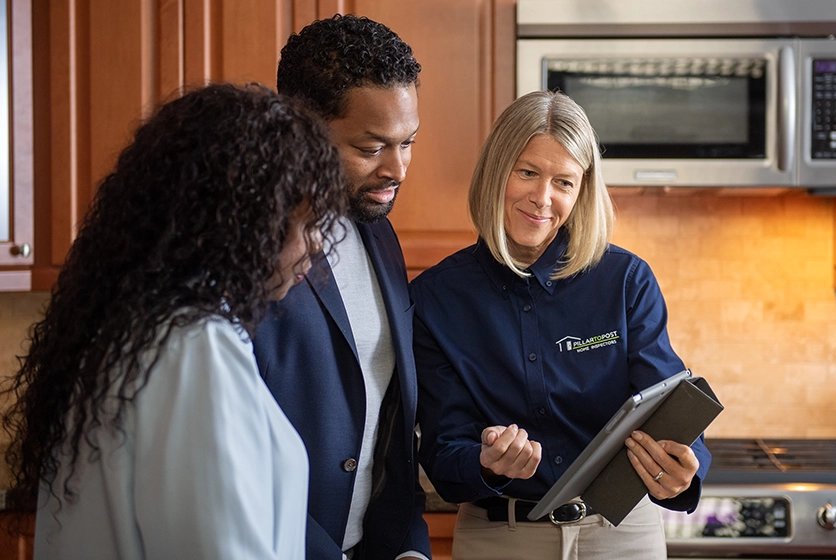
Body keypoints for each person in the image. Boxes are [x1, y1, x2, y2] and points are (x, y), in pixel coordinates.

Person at [1, 83, 346, 559]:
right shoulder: (193, 348)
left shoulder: (129, 328)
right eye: (305, 224)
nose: (317, 244)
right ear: (243, 224)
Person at [410, 90, 712, 560]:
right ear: (496, 170)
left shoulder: (626, 281)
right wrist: (486, 463)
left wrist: (685, 470)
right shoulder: (435, 298)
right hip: (501, 538)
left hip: (622, 534)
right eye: (527, 172)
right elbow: (444, 451)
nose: (542, 198)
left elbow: (669, 405)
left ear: (582, 191)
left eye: (564, 182)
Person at [252, 14, 430, 560]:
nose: (398, 168)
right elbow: (234, 448)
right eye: (372, 147)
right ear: (300, 126)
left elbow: (390, 427)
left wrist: (408, 548)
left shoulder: (380, 235)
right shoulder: (252, 248)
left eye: (409, 143)